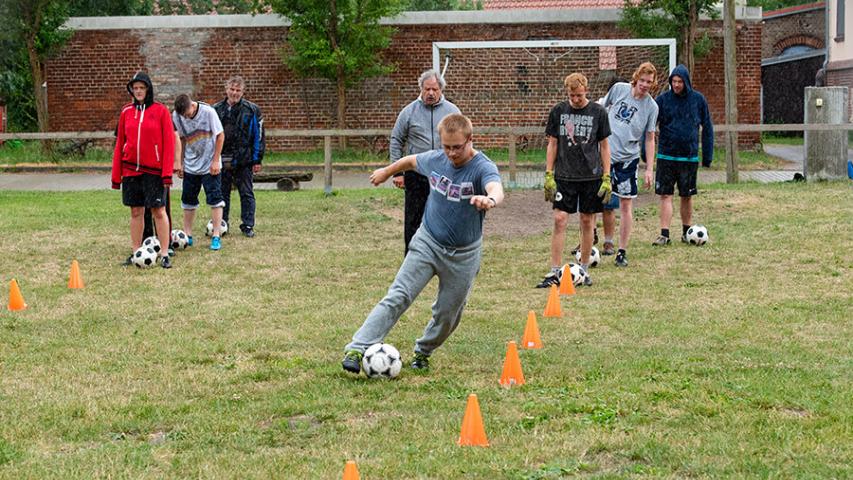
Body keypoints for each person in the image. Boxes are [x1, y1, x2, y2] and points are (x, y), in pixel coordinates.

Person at [342, 114, 503, 374]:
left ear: (470, 140)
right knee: (398, 295)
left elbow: (496, 187)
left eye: (457, 147)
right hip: (427, 242)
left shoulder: (482, 166)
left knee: (447, 314)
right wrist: (386, 171)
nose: (450, 153)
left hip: (463, 255)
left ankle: (423, 351)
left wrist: (491, 200)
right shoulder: (436, 159)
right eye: (446, 146)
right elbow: (410, 161)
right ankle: (357, 347)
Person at [537, 72, 611, 288]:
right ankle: (554, 271)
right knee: (559, 219)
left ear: (585, 91)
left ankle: (584, 270)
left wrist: (607, 176)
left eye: (579, 95)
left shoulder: (598, 112)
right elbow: (552, 143)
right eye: (572, 96)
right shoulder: (559, 111)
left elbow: (605, 147)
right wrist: (549, 174)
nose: (576, 99)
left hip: (591, 175)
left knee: (587, 221)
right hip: (564, 175)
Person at [390, 69, 461, 255]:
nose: (430, 93)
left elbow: (463, 140)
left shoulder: (452, 112)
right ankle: (412, 257)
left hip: (445, 173)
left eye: (434, 89)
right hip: (416, 173)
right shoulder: (408, 112)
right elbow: (396, 139)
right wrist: (397, 172)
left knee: (444, 217)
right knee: (414, 219)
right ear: (421, 88)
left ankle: (444, 256)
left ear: (441, 90)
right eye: (427, 89)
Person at [112, 71, 175, 268]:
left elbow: (169, 144)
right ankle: (136, 251)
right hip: (131, 171)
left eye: (142, 88)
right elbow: (120, 142)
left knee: (159, 210)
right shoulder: (126, 113)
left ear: (148, 89)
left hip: (154, 172)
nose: (138, 92)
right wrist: (116, 175)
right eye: (135, 88)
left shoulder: (161, 111)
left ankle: (164, 253)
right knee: (136, 212)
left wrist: (167, 173)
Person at [600, 62, 659, 267]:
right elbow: (600, 108)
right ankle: (588, 243)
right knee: (593, 199)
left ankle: (621, 251)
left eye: (649, 82)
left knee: (626, 204)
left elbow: (650, 138)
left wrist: (649, 168)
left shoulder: (652, 107)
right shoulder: (619, 90)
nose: (644, 85)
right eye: (642, 80)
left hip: (628, 160)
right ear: (636, 78)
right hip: (604, 155)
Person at [652, 64, 714, 246]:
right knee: (665, 195)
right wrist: (645, 153)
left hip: (688, 157)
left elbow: (707, 127)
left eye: (680, 81)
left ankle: (687, 232)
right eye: (674, 81)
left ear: (686, 82)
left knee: (686, 196)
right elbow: (649, 127)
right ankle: (664, 233)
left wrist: (707, 156)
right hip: (666, 156)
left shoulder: (698, 100)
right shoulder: (662, 101)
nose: (677, 85)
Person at [213, 76, 265, 238]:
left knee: (247, 193)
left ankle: (248, 224)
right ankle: (223, 224)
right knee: (222, 193)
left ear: (243, 92)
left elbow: (259, 136)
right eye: (232, 89)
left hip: (244, 159)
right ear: (226, 89)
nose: (234, 93)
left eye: (238, 90)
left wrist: (257, 159)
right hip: (222, 158)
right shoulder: (215, 109)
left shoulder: (252, 110)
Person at [173, 94, 226, 250]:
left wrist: (216, 160)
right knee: (188, 200)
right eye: (183, 116)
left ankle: (216, 235)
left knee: (215, 198)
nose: (186, 118)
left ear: (192, 105)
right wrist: (181, 163)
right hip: (191, 165)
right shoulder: (177, 115)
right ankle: (188, 235)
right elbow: (181, 139)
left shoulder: (208, 112)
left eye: (188, 114)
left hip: (210, 164)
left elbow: (220, 135)